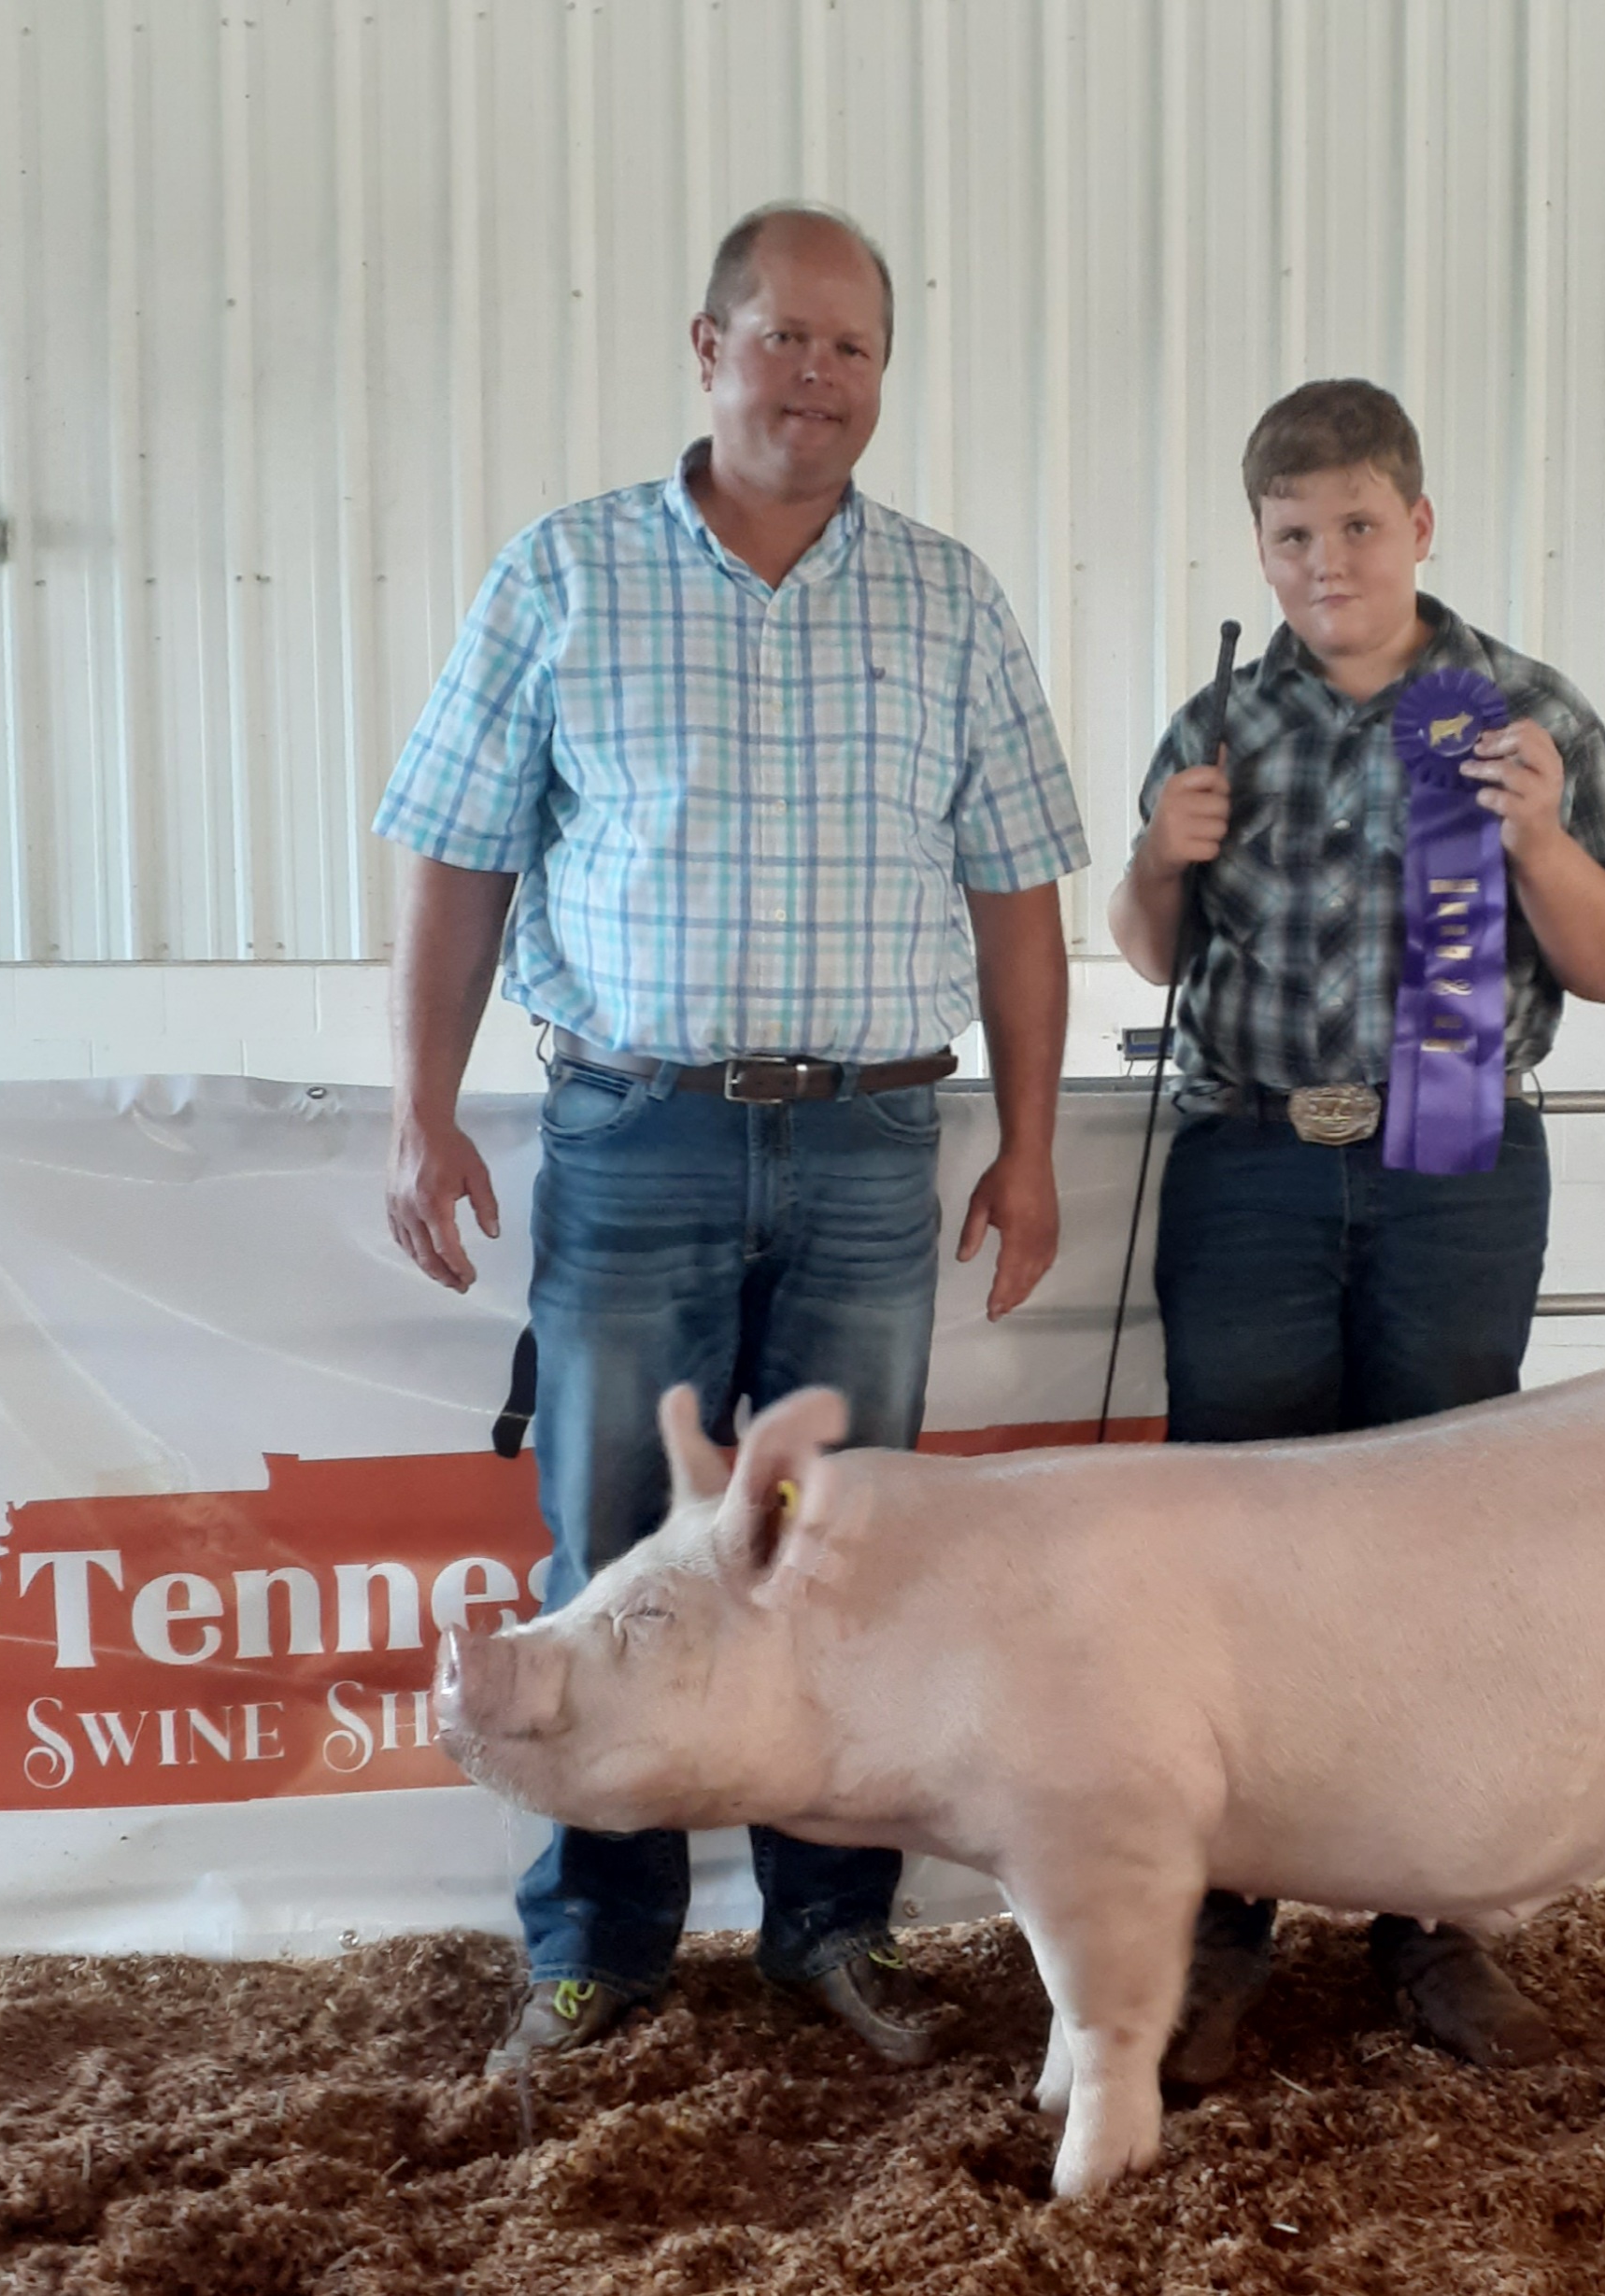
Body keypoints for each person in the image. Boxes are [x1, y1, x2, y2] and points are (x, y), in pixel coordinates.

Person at [376, 203, 1087, 2076]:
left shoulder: (946, 595)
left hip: (868, 1148)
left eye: (850, 347)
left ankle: (825, 1932)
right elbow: (459, 854)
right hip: (637, 1135)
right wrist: (420, 1109)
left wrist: (1024, 1147)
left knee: (837, 1549)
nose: (817, 377)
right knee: (612, 1540)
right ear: (704, 346)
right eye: (782, 336)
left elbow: (1016, 894)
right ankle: (597, 1945)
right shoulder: (564, 574)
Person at [1108, 377, 1605, 2083]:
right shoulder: (1220, 719)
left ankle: (1434, 1919)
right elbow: (1148, 948)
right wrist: (1156, 856)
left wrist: (1536, 838)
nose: (1325, 561)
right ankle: (1221, 1930)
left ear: (1418, 523)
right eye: (1291, 536)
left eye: (1357, 525)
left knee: (1446, 1545)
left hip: (1454, 1168)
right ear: (1259, 546)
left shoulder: (1524, 714)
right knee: (1235, 1548)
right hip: (1254, 1164)